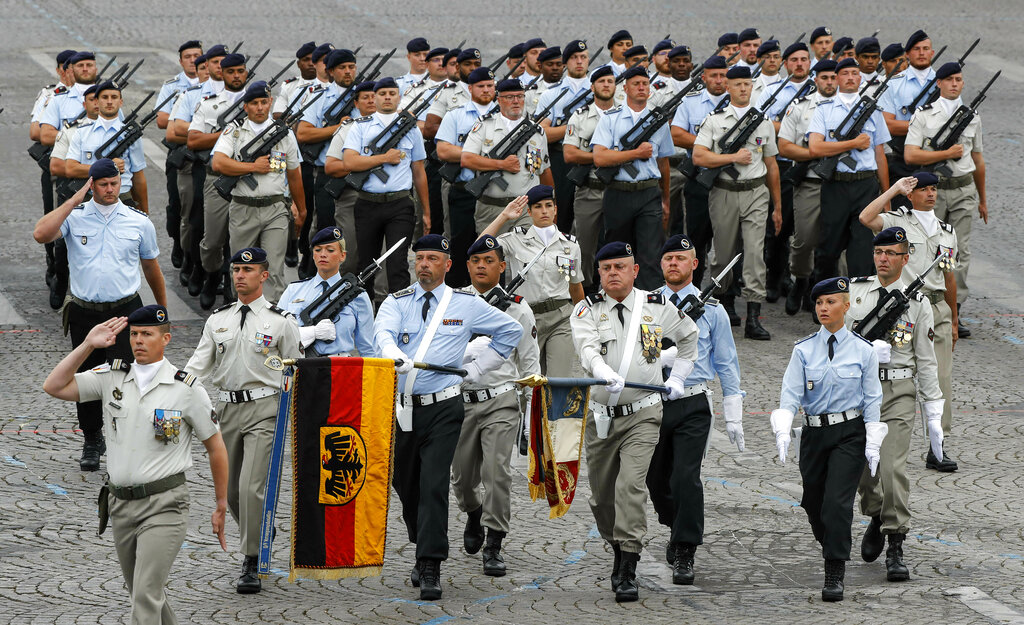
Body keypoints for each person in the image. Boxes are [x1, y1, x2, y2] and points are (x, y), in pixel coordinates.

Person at [42, 306, 229, 625]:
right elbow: (55, 386)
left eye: (147, 334)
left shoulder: (185, 389)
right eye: (134, 334)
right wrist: (88, 344)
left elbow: (215, 447)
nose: (139, 340)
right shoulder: (112, 376)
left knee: (144, 595)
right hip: (121, 505)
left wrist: (221, 503)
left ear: (165, 338)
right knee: (144, 592)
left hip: (165, 506)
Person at [373, 234, 523, 601]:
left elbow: (510, 331)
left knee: (434, 485)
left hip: (444, 406)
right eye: (419, 258)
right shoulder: (397, 301)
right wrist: (395, 355)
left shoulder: (465, 304)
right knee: (406, 486)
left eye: (432, 258)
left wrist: (475, 370)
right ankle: (422, 538)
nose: (424, 264)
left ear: (447, 265)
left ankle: (430, 564)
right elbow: (382, 334)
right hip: (402, 407)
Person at [570, 241, 698, 603]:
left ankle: (628, 562)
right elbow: (587, 349)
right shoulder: (586, 310)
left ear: (635, 270)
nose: (613, 273)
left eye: (620, 267)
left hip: (643, 412)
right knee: (602, 496)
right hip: (601, 418)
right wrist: (602, 371)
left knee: (630, 486)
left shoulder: (657, 306)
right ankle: (617, 545)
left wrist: (677, 377)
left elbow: (690, 337)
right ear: (599, 273)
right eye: (606, 268)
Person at [32, 159, 166, 472]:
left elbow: (151, 267)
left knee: (124, 378)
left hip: (124, 312)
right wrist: (73, 200)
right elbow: (41, 234)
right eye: (103, 184)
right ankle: (92, 438)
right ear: (92, 185)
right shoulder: (74, 217)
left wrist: (162, 311)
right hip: (84, 312)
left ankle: (124, 440)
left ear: (121, 183)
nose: (109, 189)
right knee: (86, 378)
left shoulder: (138, 222)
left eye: (114, 183)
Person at [185, 247, 302, 594]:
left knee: (251, 486)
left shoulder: (282, 322)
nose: (239, 275)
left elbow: (296, 371)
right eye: (236, 269)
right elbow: (196, 366)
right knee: (232, 491)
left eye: (247, 270)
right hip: (227, 411)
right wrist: (168, 392)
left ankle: (250, 559)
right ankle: (260, 527)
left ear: (264, 276)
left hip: (264, 409)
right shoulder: (217, 320)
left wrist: (291, 416)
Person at [770, 277, 884, 602]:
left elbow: (873, 398)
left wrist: (873, 439)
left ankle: (834, 570)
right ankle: (832, 541)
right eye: (819, 303)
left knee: (836, 504)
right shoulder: (804, 349)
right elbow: (790, 393)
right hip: (814, 434)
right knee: (814, 502)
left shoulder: (864, 350)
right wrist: (782, 426)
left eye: (831, 302)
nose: (823, 308)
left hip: (850, 433)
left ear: (846, 306)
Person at [846, 227, 942, 582]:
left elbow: (927, 360)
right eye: (879, 252)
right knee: (864, 471)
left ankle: (896, 542)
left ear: (905, 258)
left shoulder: (918, 304)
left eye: (891, 253)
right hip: (858, 392)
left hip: (898, 392)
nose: (883, 259)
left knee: (891, 469)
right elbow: (834, 341)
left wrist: (934, 410)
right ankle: (876, 513)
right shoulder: (854, 293)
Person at [648, 235, 743, 586]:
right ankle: (676, 525)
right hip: (653, 400)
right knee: (655, 480)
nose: (674, 263)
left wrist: (733, 411)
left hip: (693, 402)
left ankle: (686, 548)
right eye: (669, 257)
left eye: (681, 258)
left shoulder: (713, 311)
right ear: (661, 264)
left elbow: (727, 361)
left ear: (694, 265)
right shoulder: (647, 305)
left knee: (685, 476)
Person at [451, 234, 541, 576]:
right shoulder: (455, 303)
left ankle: (494, 541)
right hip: (460, 400)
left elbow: (531, 368)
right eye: (475, 261)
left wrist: (531, 418)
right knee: (461, 478)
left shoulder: (518, 308)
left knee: (497, 473)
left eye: (489, 261)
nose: (481, 267)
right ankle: (474, 513)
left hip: (500, 401)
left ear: (502, 267)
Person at [859, 173, 960, 472]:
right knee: (892, 373)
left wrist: (954, 318)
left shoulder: (946, 232)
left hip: (937, 307)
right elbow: (866, 217)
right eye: (923, 190)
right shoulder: (897, 222)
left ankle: (937, 445)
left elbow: (949, 275)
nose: (930, 194)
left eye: (933, 189)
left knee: (940, 378)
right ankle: (877, 434)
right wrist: (893, 189)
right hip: (903, 308)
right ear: (911, 195)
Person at [693, 64, 781, 340]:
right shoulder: (715, 119)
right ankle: (723, 304)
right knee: (722, 253)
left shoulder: (763, 121)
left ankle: (753, 316)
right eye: (738, 84)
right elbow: (699, 157)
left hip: (756, 191)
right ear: (728, 87)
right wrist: (731, 158)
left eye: (747, 84)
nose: (743, 88)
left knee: (755, 254)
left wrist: (777, 205)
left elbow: (771, 163)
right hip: (724, 191)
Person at [904, 62, 986, 339]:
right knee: (929, 248)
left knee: (959, 252)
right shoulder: (924, 115)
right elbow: (911, 156)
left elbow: (977, 158)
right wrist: (944, 154)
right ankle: (924, 305)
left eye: (959, 79)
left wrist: (983, 198)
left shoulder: (972, 117)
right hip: (932, 190)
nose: (954, 83)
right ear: (938, 83)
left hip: (963, 188)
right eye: (949, 79)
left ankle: (955, 310)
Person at [212, 80, 306, 303]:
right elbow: (218, 163)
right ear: (246, 106)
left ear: (271, 102)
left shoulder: (284, 134)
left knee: (273, 269)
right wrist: (252, 167)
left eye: (265, 102)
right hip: (243, 207)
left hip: (275, 208)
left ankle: (271, 318)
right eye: (254, 103)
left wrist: (301, 210)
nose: (260, 107)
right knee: (242, 269)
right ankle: (241, 312)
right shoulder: (234, 132)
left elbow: (294, 174)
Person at [481, 186, 585, 377]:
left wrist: (584, 321)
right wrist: (504, 216)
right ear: (528, 212)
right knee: (529, 382)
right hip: (526, 317)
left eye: (548, 205)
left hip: (560, 317)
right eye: (537, 206)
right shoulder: (515, 239)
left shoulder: (570, 245)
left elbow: (576, 287)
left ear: (555, 209)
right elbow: (481, 246)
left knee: (557, 381)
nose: (544, 211)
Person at [343, 77, 430, 297]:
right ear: (375, 97)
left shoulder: (410, 129)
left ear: (399, 97)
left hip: (400, 204)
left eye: (392, 93)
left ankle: (399, 317)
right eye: (382, 94)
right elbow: (350, 162)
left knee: (398, 264)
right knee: (366, 264)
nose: (388, 97)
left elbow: (419, 170)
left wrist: (426, 211)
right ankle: (365, 315)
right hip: (367, 203)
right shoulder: (360, 127)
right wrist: (383, 158)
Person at [590, 65, 674, 290]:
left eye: (645, 84)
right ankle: (615, 299)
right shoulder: (611, 118)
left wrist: (665, 199)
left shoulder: (658, 121)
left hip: (648, 193)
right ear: (625, 88)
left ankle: (650, 307)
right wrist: (635, 154)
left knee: (650, 255)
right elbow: (600, 157)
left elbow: (663, 162)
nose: (641, 88)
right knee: (618, 253)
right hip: (618, 193)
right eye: (636, 84)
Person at [808, 57, 890, 282]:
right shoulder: (824, 110)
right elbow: (815, 147)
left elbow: (880, 155)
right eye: (845, 74)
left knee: (863, 251)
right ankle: (824, 295)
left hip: (866, 185)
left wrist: (886, 193)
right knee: (829, 248)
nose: (851, 78)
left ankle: (859, 304)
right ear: (837, 79)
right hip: (836, 185)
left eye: (855, 73)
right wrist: (851, 144)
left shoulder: (874, 111)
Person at [187, 52, 249, 308]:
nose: (236, 76)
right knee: (212, 241)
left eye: (241, 71)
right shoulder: (209, 104)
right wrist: (226, 135)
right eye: (231, 72)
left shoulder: (258, 103)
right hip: (217, 179)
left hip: (248, 181)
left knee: (240, 242)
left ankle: (234, 292)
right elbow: (193, 140)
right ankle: (211, 275)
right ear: (221, 74)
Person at [778, 59, 839, 316]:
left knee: (833, 244)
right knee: (803, 240)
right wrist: (812, 153)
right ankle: (801, 279)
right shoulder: (801, 108)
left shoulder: (850, 108)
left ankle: (824, 293)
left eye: (832, 77)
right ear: (815, 80)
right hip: (810, 182)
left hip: (838, 184)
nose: (829, 82)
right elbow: (785, 147)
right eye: (824, 78)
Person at [461, 77, 554, 235]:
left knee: (526, 254)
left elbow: (544, 170)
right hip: (492, 208)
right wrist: (501, 165)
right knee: (491, 253)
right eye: (510, 97)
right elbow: (467, 159)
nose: (516, 101)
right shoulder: (484, 125)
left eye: (520, 96)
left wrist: (551, 202)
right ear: (499, 100)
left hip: (526, 209)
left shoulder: (537, 131)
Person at [670, 54, 730, 292]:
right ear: (703, 77)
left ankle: (726, 293)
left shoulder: (738, 104)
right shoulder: (690, 102)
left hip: (727, 180)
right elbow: (676, 134)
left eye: (723, 75)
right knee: (697, 239)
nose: (718, 80)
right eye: (713, 75)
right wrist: (708, 145)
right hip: (699, 179)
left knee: (728, 242)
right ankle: (691, 289)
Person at [434, 67, 497, 287]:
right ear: (470, 88)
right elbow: (443, 151)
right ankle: (456, 289)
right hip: (464, 188)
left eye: (490, 85)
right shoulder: (456, 115)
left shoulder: (503, 115)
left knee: (490, 247)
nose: (486, 90)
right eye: (481, 86)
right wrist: (476, 156)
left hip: (494, 192)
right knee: (459, 245)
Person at [279, 226, 374, 357]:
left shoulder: (357, 295)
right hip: (301, 365)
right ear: (313, 255)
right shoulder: (294, 290)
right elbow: (278, 332)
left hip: (339, 368)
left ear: (342, 256)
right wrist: (312, 332)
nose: (323, 254)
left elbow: (368, 348)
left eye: (330, 250)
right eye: (318, 250)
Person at [562, 65, 617, 287]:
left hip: (617, 189)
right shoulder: (580, 116)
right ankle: (576, 291)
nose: (606, 85)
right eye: (601, 81)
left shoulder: (623, 115)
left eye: (610, 81)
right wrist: (600, 157)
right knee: (582, 246)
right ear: (593, 86)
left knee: (617, 245)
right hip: (589, 189)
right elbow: (569, 153)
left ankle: (612, 288)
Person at [536, 39, 594, 232]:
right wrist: (574, 127)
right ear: (565, 63)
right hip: (561, 159)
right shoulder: (550, 95)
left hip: (592, 156)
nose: (579, 61)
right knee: (560, 217)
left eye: (583, 57)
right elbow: (542, 133)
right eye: (574, 57)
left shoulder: (599, 90)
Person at [156, 40, 204, 269]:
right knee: (177, 202)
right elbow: (162, 120)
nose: (193, 60)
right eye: (188, 56)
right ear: (181, 60)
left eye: (197, 56)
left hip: (206, 150)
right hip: (180, 152)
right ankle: (178, 242)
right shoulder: (173, 85)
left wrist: (188, 123)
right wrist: (199, 124)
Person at [65, 80, 148, 211]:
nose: (109, 101)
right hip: (90, 198)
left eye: (114, 97)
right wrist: (107, 166)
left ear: (121, 102)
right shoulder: (82, 133)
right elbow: (70, 169)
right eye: (105, 97)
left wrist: (145, 212)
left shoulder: (130, 135)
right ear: (97, 102)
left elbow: (138, 177)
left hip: (122, 198)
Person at [322, 80, 377, 276]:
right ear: (356, 103)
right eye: (365, 97)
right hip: (352, 196)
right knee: (349, 255)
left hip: (385, 200)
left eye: (374, 96)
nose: (371, 101)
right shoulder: (349, 128)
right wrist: (361, 163)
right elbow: (331, 165)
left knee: (383, 260)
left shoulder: (396, 129)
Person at [879, 30, 935, 211]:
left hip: (935, 161)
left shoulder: (943, 82)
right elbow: (888, 125)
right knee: (903, 222)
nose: (921, 53)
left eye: (925, 48)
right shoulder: (894, 84)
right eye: (916, 49)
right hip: (902, 162)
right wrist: (924, 127)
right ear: (907, 55)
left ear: (932, 53)